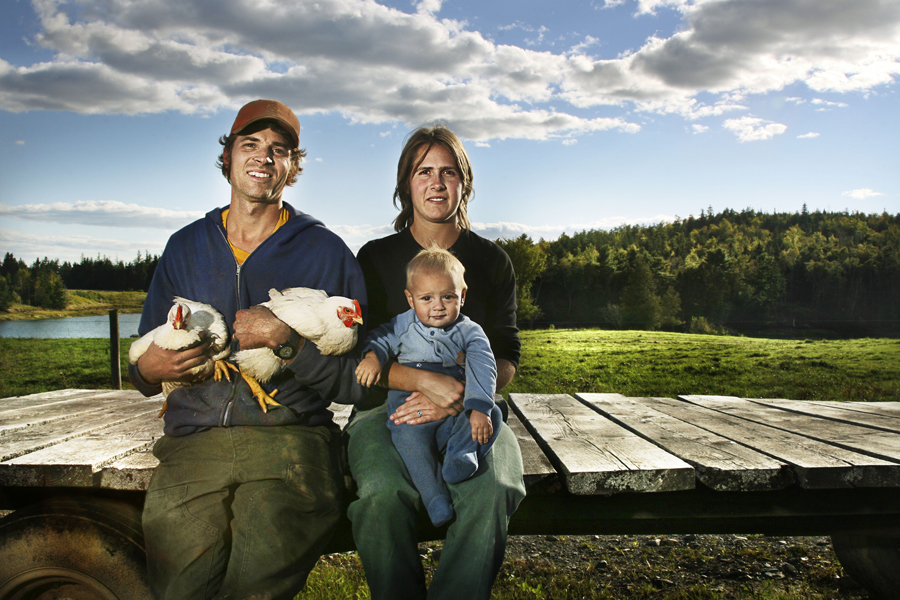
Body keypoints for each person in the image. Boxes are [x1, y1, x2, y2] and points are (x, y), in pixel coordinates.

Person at [129, 99, 367, 600]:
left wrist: (287, 343)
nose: (264, 157)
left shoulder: (326, 251)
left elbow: (356, 383)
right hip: (193, 442)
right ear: (228, 156)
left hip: (291, 440)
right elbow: (143, 363)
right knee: (180, 589)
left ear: (292, 166)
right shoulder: (185, 246)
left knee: (254, 587)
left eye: (279, 149)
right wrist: (149, 371)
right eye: (250, 144)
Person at [348, 124, 526, 600]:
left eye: (448, 172)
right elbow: (360, 352)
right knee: (381, 496)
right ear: (406, 183)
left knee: (495, 488)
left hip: (473, 408)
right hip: (386, 408)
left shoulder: (492, 261)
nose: (436, 183)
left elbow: (506, 355)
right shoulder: (374, 258)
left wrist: (463, 396)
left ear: (464, 182)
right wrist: (423, 382)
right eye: (423, 171)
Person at [355, 247, 503, 527]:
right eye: (426, 298)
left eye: (448, 297)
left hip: (458, 400)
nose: (438, 306)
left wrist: (479, 408)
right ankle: (435, 498)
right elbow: (381, 338)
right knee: (409, 442)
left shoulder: (470, 331)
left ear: (463, 296)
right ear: (410, 299)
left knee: (491, 414)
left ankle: (462, 454)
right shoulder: (402, 324)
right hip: (410, 404)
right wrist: (373, 356)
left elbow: (484, 367)